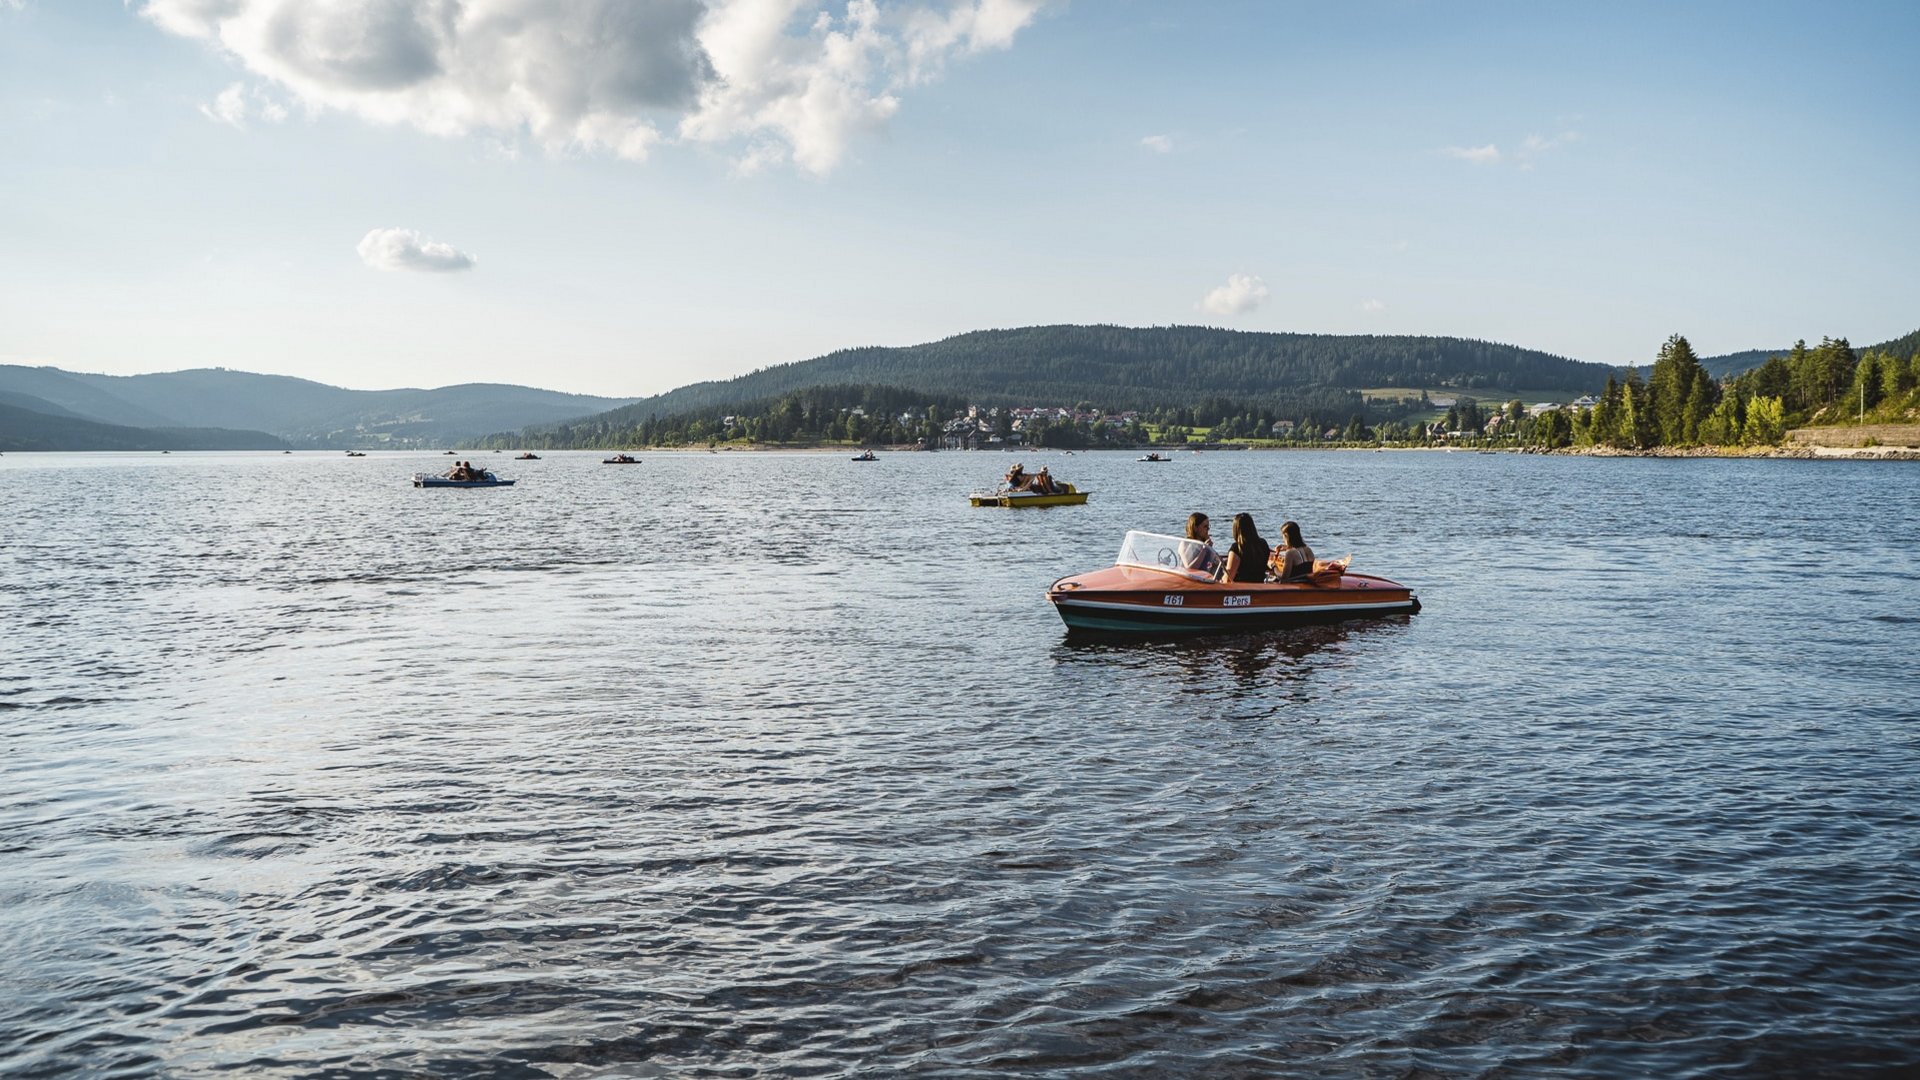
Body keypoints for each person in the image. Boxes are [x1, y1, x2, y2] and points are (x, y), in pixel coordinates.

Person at [1224, 513, 1271, 584]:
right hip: (1259, 586)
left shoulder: (1236, 548)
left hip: (1241, 589)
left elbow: (1228, 579)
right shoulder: (1263, 544)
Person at [1183, 512, 1221, 578]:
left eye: (1209, 526)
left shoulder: (1203, 542)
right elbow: (1190, 569)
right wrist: (1204, 549)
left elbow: (1212, 562)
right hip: (1192, 580)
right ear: (1195, 528)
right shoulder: (1186, 543)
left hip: (1206, 578)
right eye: (1205, 526)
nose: (1208, 529)